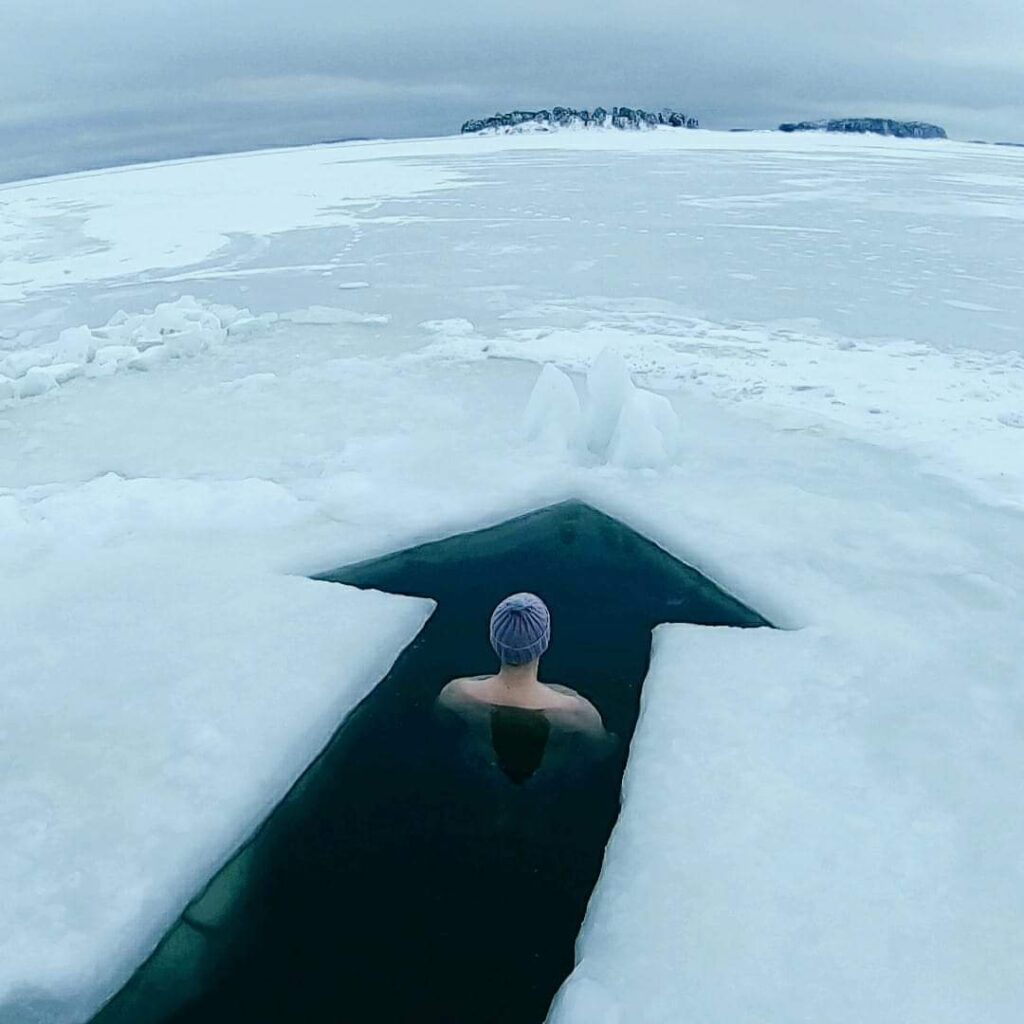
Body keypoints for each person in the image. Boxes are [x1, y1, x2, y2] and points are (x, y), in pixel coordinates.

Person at [438, 592, 605, 739]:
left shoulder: (455, 694)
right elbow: (603, 749)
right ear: (544, 642)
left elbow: (441, 724)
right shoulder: (578, 713)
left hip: (479, 762)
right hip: (547, 772)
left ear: (494, 640)